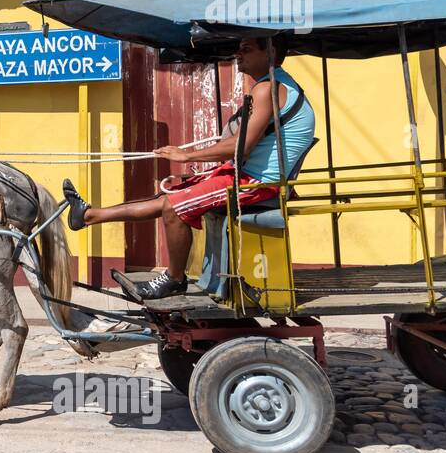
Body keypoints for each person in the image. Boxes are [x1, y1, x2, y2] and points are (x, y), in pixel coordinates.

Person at [60, 35, 316, 300]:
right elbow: (235, 141)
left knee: (174, 206)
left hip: (259, 183)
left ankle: (174, 279)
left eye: (246, 49)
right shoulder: (270, 87)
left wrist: (186, 156)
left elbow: (242, 146)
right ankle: (89, 215)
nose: (238, 55)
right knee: (168, 197)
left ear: (270, 52)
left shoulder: (268, 89)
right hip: (247, 175)